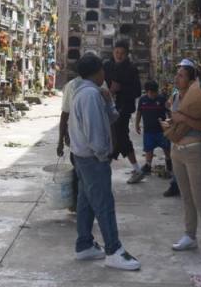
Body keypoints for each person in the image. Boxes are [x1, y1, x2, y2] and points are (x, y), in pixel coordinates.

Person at [68, 52, 141, 271]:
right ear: (97, 72)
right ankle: (113, 250)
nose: (105, 73)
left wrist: (109, 103)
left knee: (86, 202)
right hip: (92, 159)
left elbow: (112, 117)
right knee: (104, 204)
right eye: (103, 70)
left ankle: (84, 245)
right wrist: (103, 156)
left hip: (82, 157)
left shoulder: (87, 91)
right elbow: (95, 132)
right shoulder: (89, 95)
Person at [161, 59, 201, 259]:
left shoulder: (198, 96)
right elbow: (177, 119)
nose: (176, 78)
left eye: (181, 75)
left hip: (194, 151)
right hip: (176, 151)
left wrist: (183, 119)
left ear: (190, 80)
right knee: (186, 197)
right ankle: (190, 236)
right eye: (176, 74)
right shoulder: (176, 96)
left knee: (199, 199)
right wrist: (170, 122)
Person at [102, 39, 141, 177]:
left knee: (119, 136)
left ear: (127, 54)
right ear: (113, 52)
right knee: (115, 136)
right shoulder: (107, 66)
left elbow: (137, 91)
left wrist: (121, 88)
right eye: (116, 52)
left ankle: (106, 168)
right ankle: (137, 169)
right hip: (106, 107)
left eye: (122, 53)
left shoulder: (131, 69)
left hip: (123, 108)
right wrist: (108, 91)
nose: (119, 55)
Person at [133, 80, 171, 182]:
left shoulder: (162, 99)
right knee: (148, 149)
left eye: (155, 92)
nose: (153, 95)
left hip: (161, 130)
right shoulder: (142, 100)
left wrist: (171, 124)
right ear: (147, 91)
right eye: (151, 92)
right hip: (148, 130)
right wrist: (137, 125)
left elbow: (169, 113)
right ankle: (148, 165)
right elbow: (139, 113)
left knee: (166, 147)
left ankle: (169, 163)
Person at [57, 73, 82, 211]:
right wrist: (60, 140)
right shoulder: (71, 86)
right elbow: (65, 114)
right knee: (77, 170)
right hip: (75, 138)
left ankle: (81, 202)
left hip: (90, 141)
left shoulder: (100, 84)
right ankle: (76, 202)